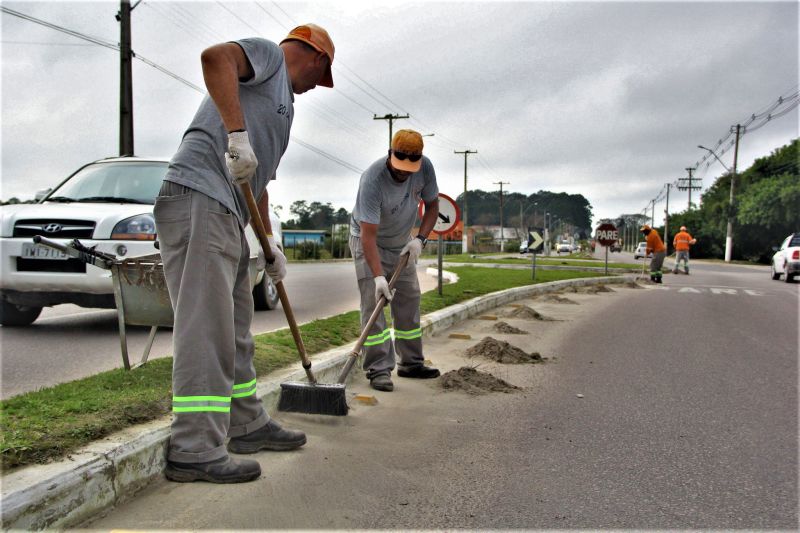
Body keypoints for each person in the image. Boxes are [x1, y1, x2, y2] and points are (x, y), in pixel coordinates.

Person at [153, 24, 335, 484]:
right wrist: (235, 135)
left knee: (235, 329)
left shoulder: (284, 108)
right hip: (199, 194)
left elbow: (260, 184)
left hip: (231, 211)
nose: (317, 86)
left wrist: (269, 242)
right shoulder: (268, 56)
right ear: (316, 56)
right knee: (206, 329)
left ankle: (246, 424)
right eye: (322, 75)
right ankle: (194, 449)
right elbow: (214, 57)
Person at [349, 129, 440, 392]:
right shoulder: (373, 179)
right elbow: (368, 236)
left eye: (410, 167)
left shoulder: (425, 169)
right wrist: (378, 277)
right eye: (400, 166)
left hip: (402, 244)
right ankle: (378, 369)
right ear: (390, 154)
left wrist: (420, 239)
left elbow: (432, 206)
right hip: (369, 243)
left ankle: (411, 363)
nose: (404, 172)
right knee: (374, 306)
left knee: (409, 300)